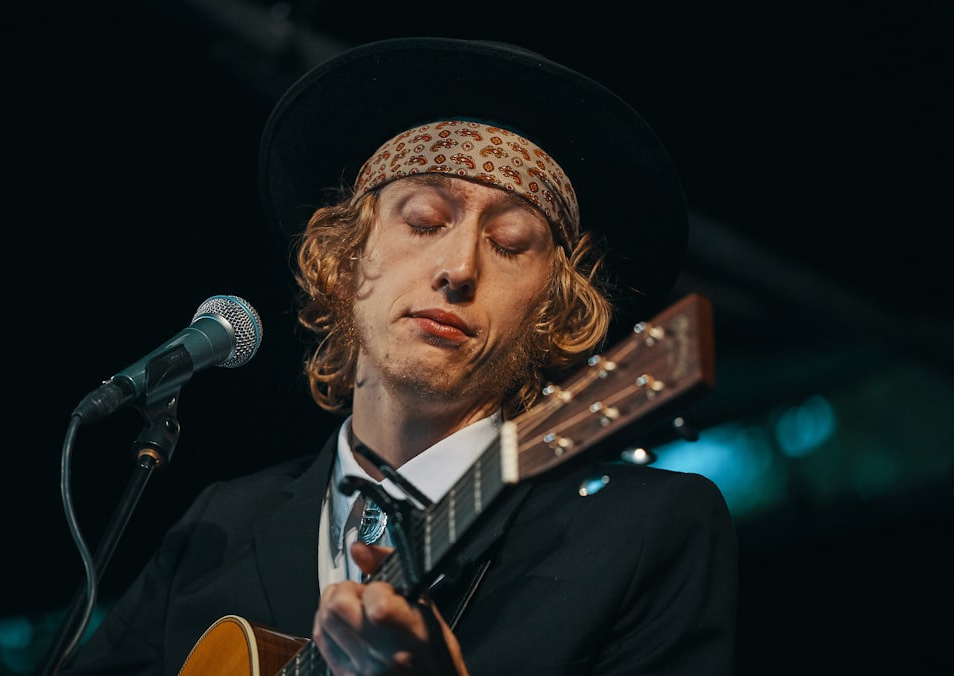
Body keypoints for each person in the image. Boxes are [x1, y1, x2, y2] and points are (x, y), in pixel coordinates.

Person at [60, 37, 737, 675]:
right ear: (346, 262)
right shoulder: (217, 527)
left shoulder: (648, 531)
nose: (459, 266)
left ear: (551, 312)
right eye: (423, 222)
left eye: (508, 242)